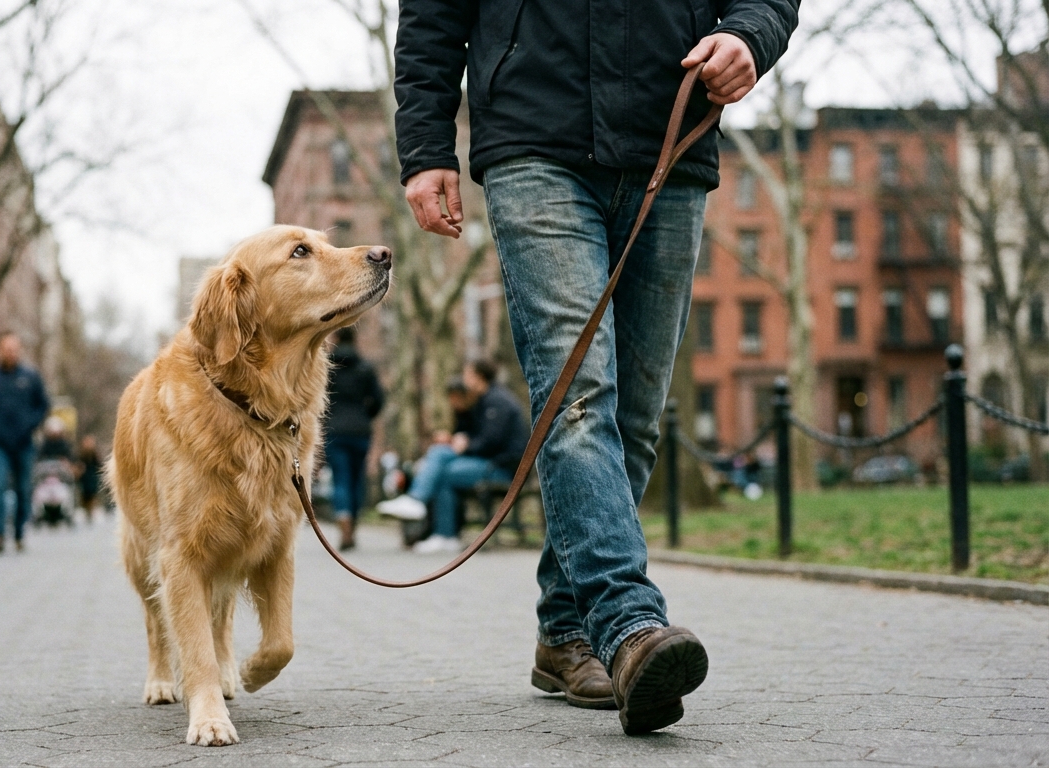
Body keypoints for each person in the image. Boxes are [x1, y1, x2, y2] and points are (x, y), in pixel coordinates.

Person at [394, 0, 798, 733]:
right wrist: (425, 149)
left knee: (635, 420)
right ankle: (628, 625)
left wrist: (748, 35)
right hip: (533, 140)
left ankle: (564, 631)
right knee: (577, 394)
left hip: (670, 135)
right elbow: (430, 13)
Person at [377, 360, 528, 554]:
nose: (464, 379)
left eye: (467, 374)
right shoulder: (483, 400)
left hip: (502, 469)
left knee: (442, 463)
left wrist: (465, 445)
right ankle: (444, 536)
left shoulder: (497, 401)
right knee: (443, 466)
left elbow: (491, 442)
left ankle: (419, 503)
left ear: (477, 377)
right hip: (489, 463)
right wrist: (454, 440)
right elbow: (477, 436)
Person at [0, 331, 50, 553]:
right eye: (6, 348)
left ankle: (19, 533)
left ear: (19, 350)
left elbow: (43, 405)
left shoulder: (31, 377)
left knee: (23, 488)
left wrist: (30, 424)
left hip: (24, 442)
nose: (10, 352)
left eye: (14, 348)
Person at [322, 326, 385, 550]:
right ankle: (354, 523)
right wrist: (365, 416)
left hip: (334, 430)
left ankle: (344, 520)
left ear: (336, 338)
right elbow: (378, 400)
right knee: (357, 479)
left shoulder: (327, 367)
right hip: (360, 431)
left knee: (341, 478)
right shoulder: (366, 367)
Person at [76, 435, 105, 522]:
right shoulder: (81, 455)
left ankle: (91, 511)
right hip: (84, 478)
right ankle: (86, 511)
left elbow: (100, 465)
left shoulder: (95, 455)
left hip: (93, 477)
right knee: (84, 496)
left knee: (92, 495)